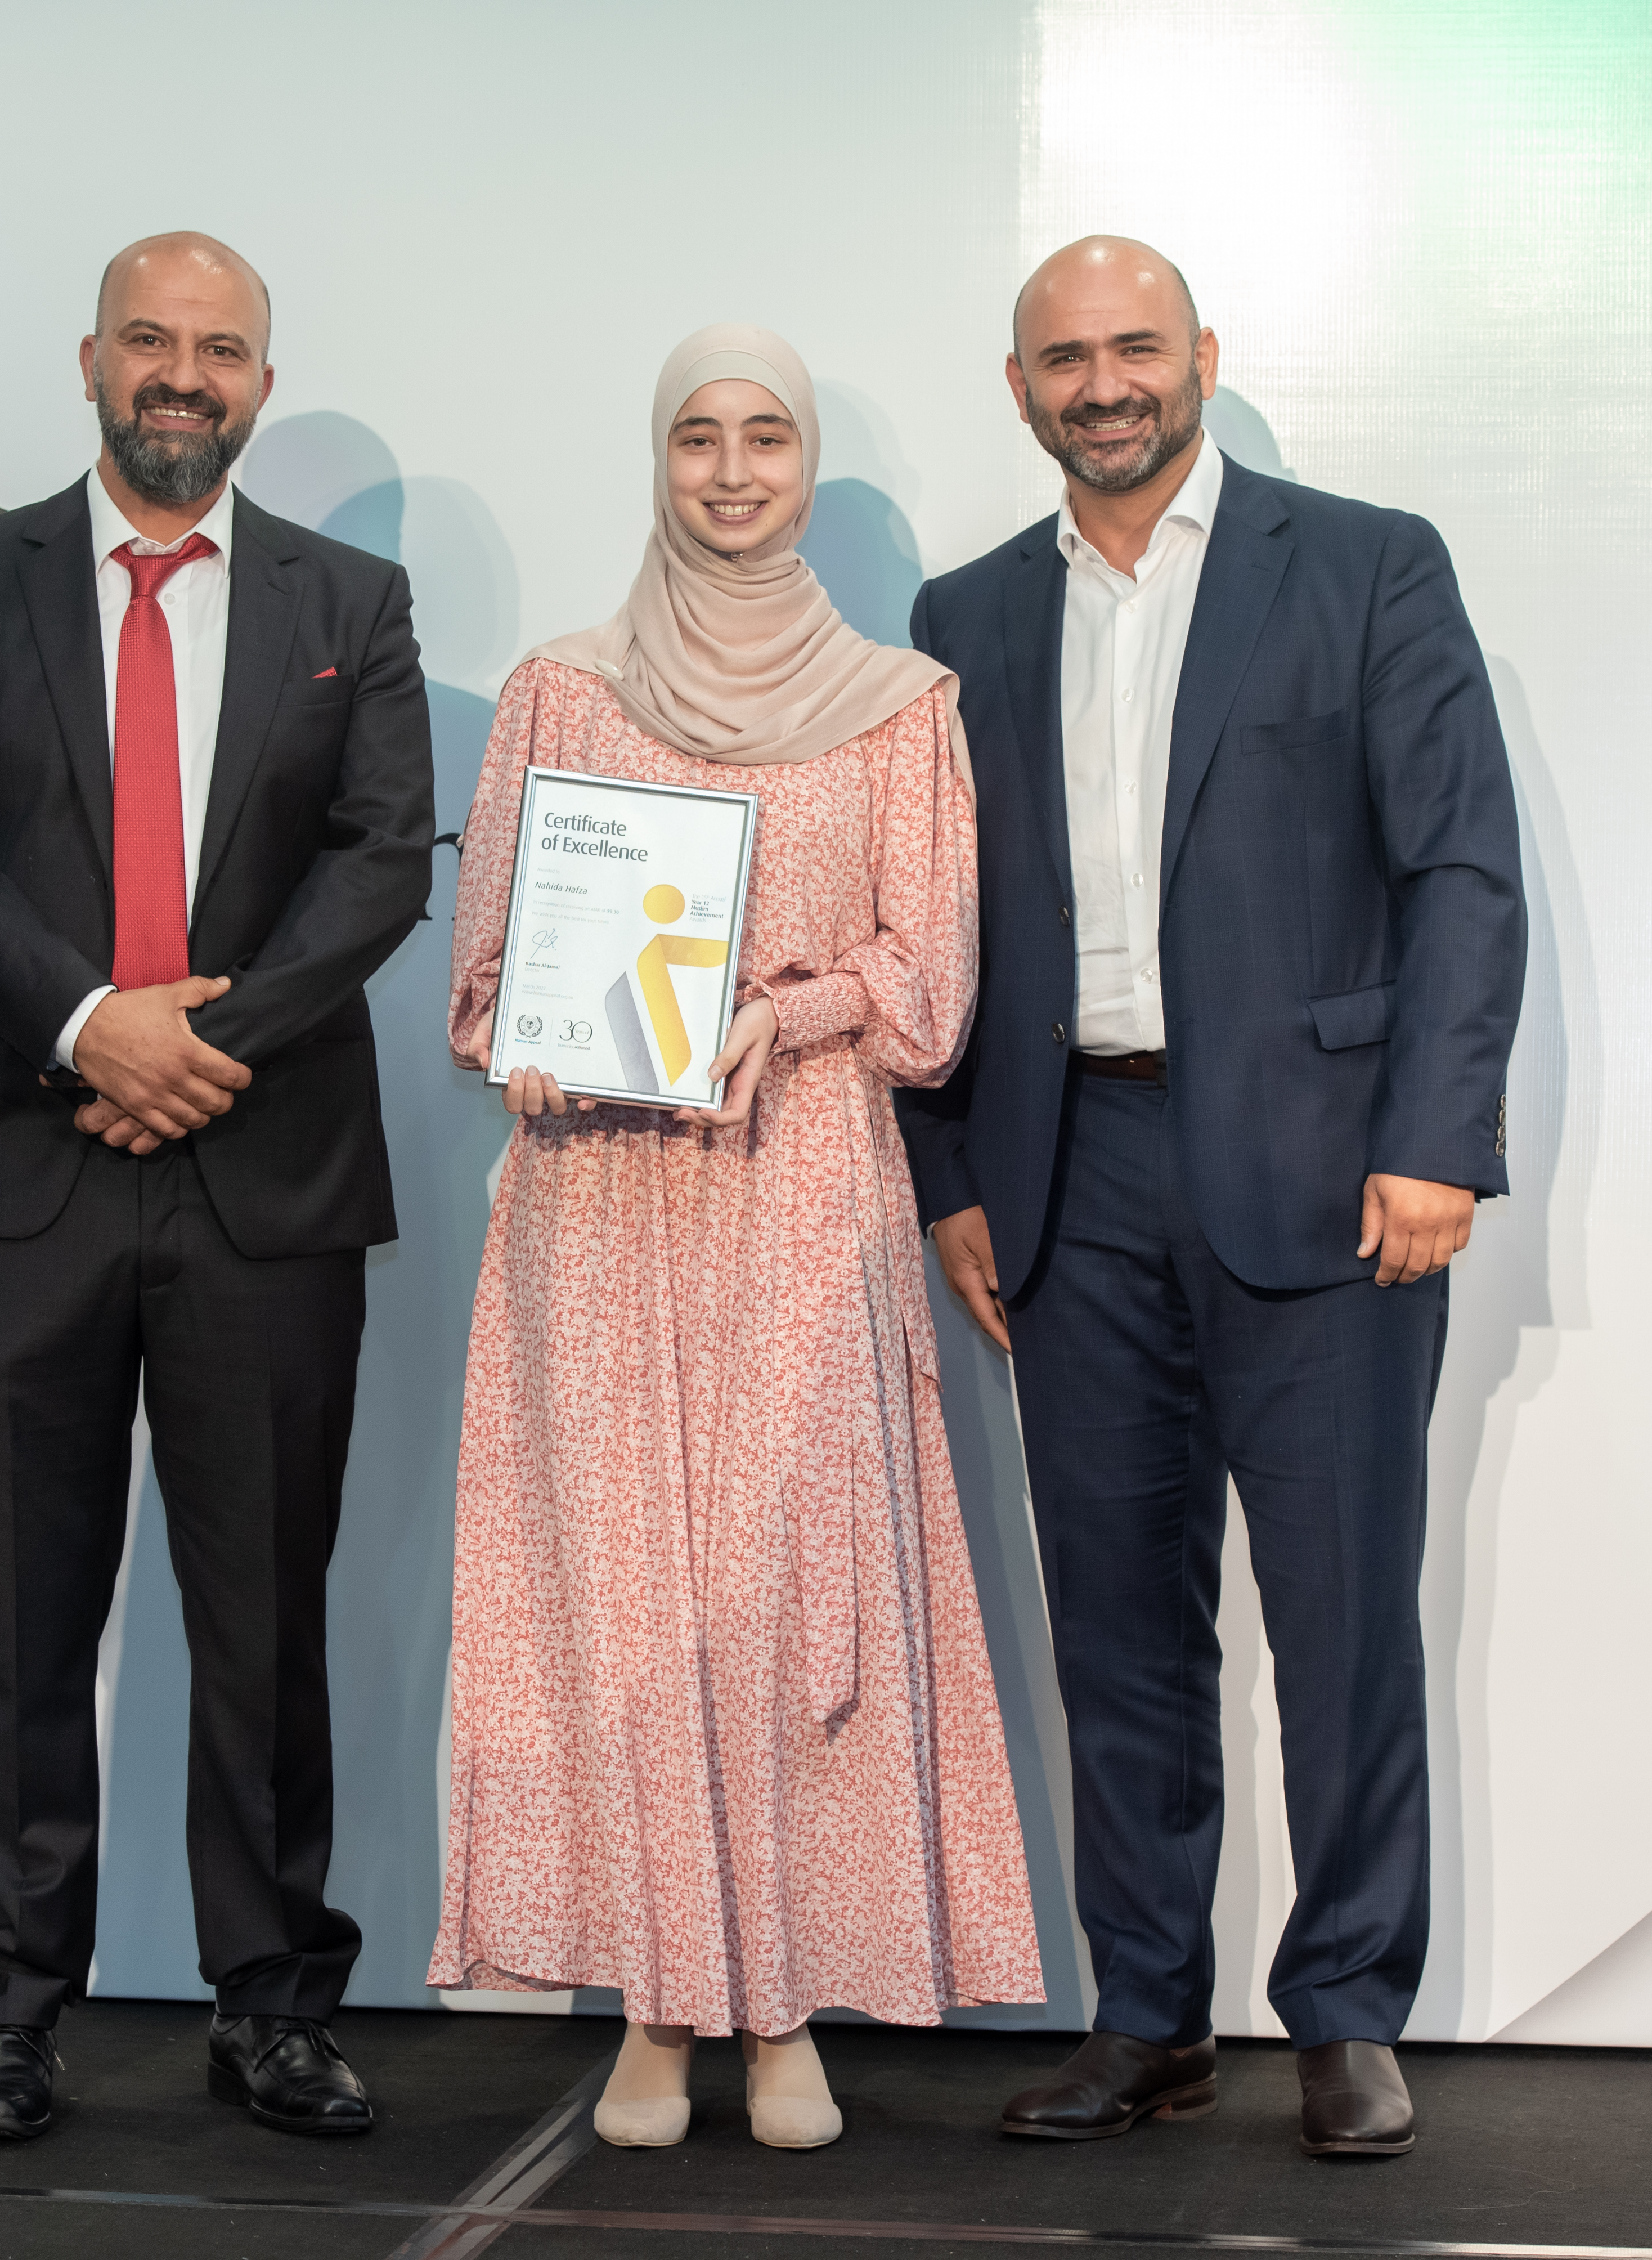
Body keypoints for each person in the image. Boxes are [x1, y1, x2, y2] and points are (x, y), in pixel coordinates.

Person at [896, 239, 1524, 2156]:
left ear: (1202, 358)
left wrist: (1438, 1136)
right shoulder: (964, 614)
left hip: (1327, 1176)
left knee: (1341, 1619)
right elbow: (932, 917)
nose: (1105, 384)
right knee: (1116, 1629)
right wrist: (954, 1172)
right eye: (1065, 358)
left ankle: (1347, 2012)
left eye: (1136, 348)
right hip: (1066, 1175)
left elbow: (1460, 869)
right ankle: (1148, 2018)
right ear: (1020, 386)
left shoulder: (1365, 565)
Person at [0, 231, 433, 2142]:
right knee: (21, 1613)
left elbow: (380, 862)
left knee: (264, 1615)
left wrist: (197, 1045)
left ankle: (274, 2003)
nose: (186, 375)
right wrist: (93, 1025)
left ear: (262, 382)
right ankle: (10, 2007)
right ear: (92, 359)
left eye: (223, 349)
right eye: (153, 341)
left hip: (262, 1170)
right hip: (14, 1164)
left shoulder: (353, 597)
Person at [432, 324, 1043, 2151]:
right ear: (659, 460)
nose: (730, 472)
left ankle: (781, 2010)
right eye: (697, 438)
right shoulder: (562, 691)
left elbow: (932, 989)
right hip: (601, 1206)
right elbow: (483, 979)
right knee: (626, 1619)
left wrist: (790, 1008)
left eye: (765, 437)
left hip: (800, 1193)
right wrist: (531, 1040)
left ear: (808, 464)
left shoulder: (901, 705)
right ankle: (655, 2007)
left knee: (783, 1604)